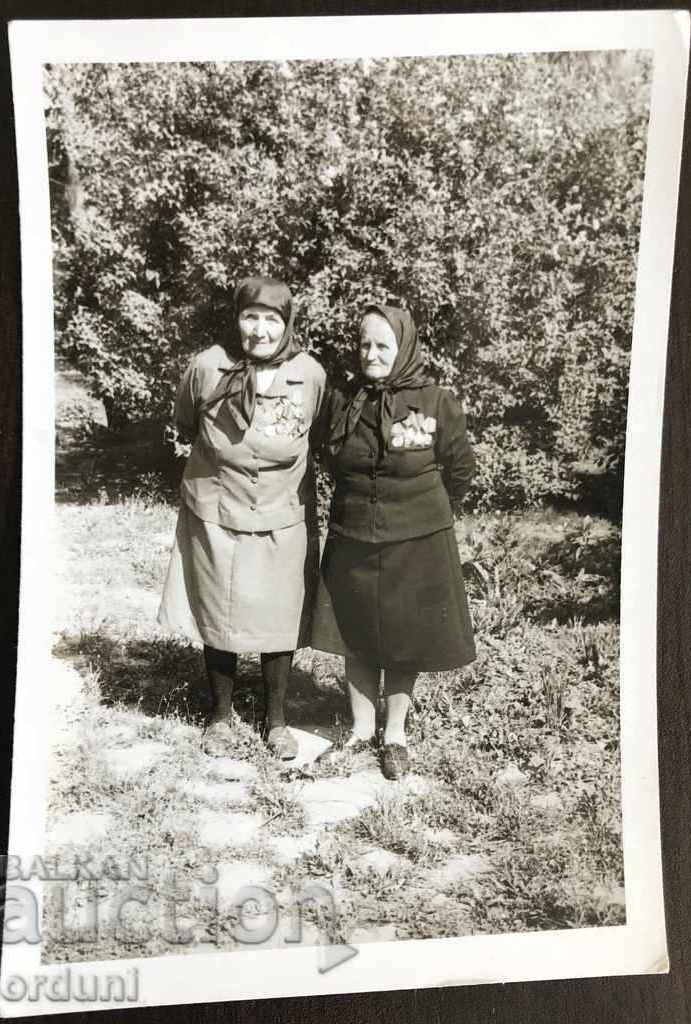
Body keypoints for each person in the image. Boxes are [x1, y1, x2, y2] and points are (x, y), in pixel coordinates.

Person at [157, 275, 326, 761]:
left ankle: (276, 720)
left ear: (287, 324)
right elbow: (186, 421)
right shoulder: (208, 367)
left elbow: (319, 430)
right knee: (220, 609)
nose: (259, 329)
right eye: (250, 316)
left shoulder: (309, 374)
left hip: (282, 510)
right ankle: (221, 715)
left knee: (279, 613)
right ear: (236, 319)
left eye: (271, 319)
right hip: (217, 507)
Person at [310, 303, 476, 779]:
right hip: (353, 532)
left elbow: (460, 468)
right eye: (364, 344)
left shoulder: (436, 400)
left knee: (405, 636)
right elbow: (327, 453)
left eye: (383, 345)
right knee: (355, 630)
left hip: (417, 538)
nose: (371, 354)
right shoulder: (345, 399)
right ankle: (362, 729)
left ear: (403, 347)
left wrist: (423, 508)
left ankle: (395, 733)